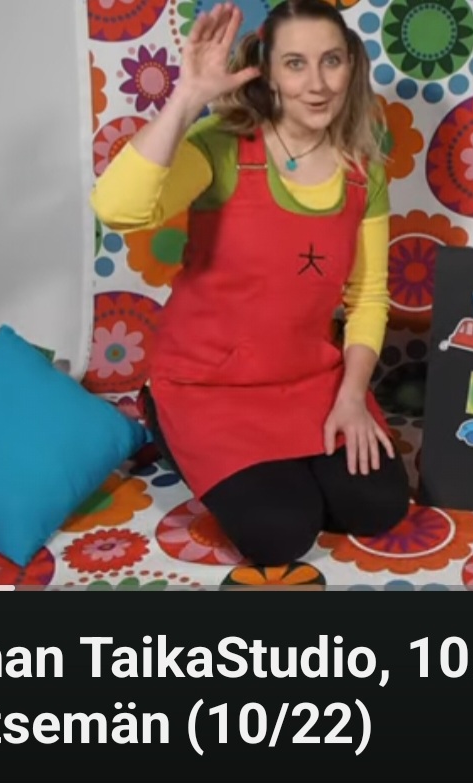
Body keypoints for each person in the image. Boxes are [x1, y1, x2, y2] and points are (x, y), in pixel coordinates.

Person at [90, 0, 410, 566]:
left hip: (308, 379)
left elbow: (367, 297)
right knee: (280, 535)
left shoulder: (365, 171)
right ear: (268, 72)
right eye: (295, 64)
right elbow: (117, 209)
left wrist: (352, 397)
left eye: (331, 60)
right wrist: (187, 98)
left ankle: (291, 460)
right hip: (209, 385)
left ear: (351, 65)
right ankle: (162, 413)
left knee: (378, 506)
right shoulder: (222, 144)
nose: (317, 83)